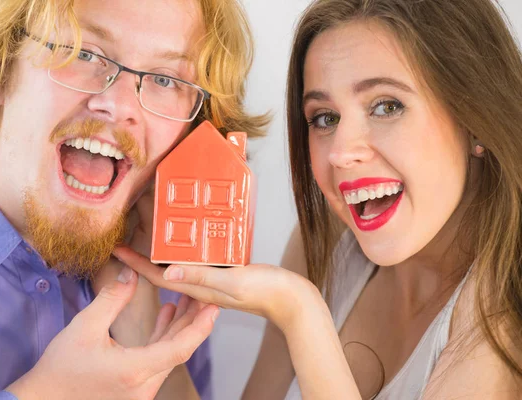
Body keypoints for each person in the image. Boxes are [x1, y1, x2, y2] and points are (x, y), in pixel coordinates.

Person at [116, 0, 522, 398]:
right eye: (325, 118)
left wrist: (301, 315)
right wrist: (131, 291)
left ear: (474, 122)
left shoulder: (501, 327)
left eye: (386, 106)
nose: (340, 153)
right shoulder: (323, 245)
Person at [0, 0, 268, 398]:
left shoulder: (168, 286)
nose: (119, 106)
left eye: (165, 80)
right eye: (85, 54)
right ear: (0, 71)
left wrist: (141, 321)